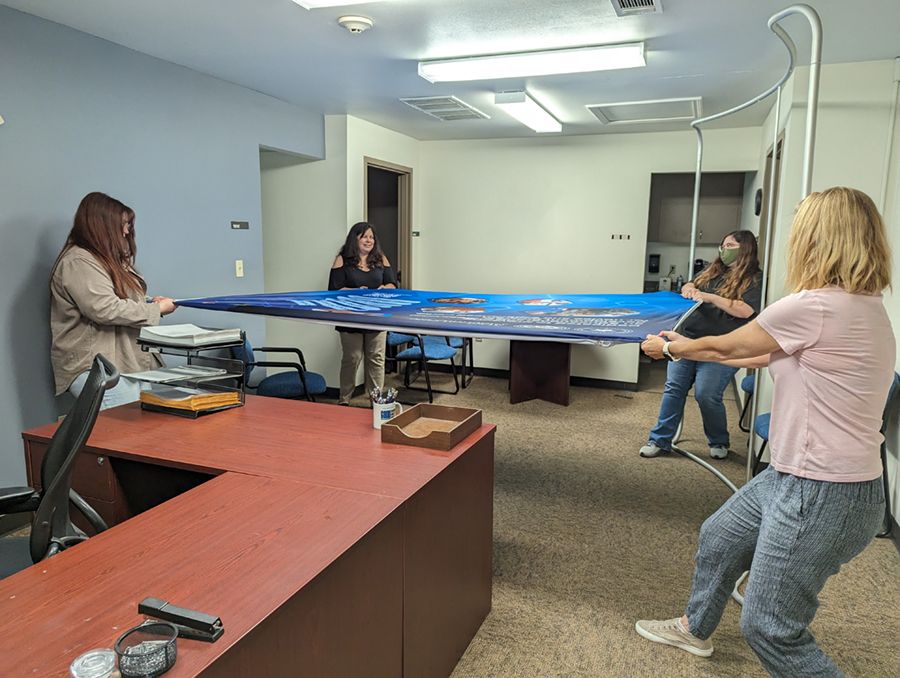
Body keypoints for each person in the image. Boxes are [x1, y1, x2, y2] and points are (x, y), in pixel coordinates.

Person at [636, 187, 894, 677]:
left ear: (819, 239)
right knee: (720, 537)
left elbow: (732, 349)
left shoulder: (813, 306)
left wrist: (671, 350)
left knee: (771, 628)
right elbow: (761, 353)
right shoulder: (861, 305)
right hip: (802, 477)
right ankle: (695, 628)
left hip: (823, 490)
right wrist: (689, 345)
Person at [640, 230, 762, 460]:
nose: (723, 249)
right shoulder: (712, 270)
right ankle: (659, 440)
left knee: (707, 394)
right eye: (722, 244)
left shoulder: (755, 279)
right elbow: (692, 284)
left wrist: (710, 297)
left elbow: (745, 310)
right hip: (686, 338)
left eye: (729, 245)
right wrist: (688, 287)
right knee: (674, 389)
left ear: (744, 248)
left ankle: (718, 440)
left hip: (720, 346)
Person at [50, 192, 177, 408]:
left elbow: (116, 297)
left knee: (147, 431)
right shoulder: (79, 261)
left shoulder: (105, 260)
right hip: (98, 367)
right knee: (126, 436)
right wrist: (156, 310)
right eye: (124, 224)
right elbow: (104, 308)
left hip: (129, 364)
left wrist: (148, 302)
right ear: (103, 225)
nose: (127, 231)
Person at [328, 222, 397, 405]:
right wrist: (356, 292)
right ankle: (344, 399)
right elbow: (333, 290)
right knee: (353, 357)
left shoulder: (381, 259)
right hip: (350, 317)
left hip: (377, 317)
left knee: (376, 358)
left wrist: (383, 289)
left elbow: (392, 285)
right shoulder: (342, 260)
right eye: (365, 236)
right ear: (355, 238)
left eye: (371, 237)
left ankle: (376, 400)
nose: (369, 240)